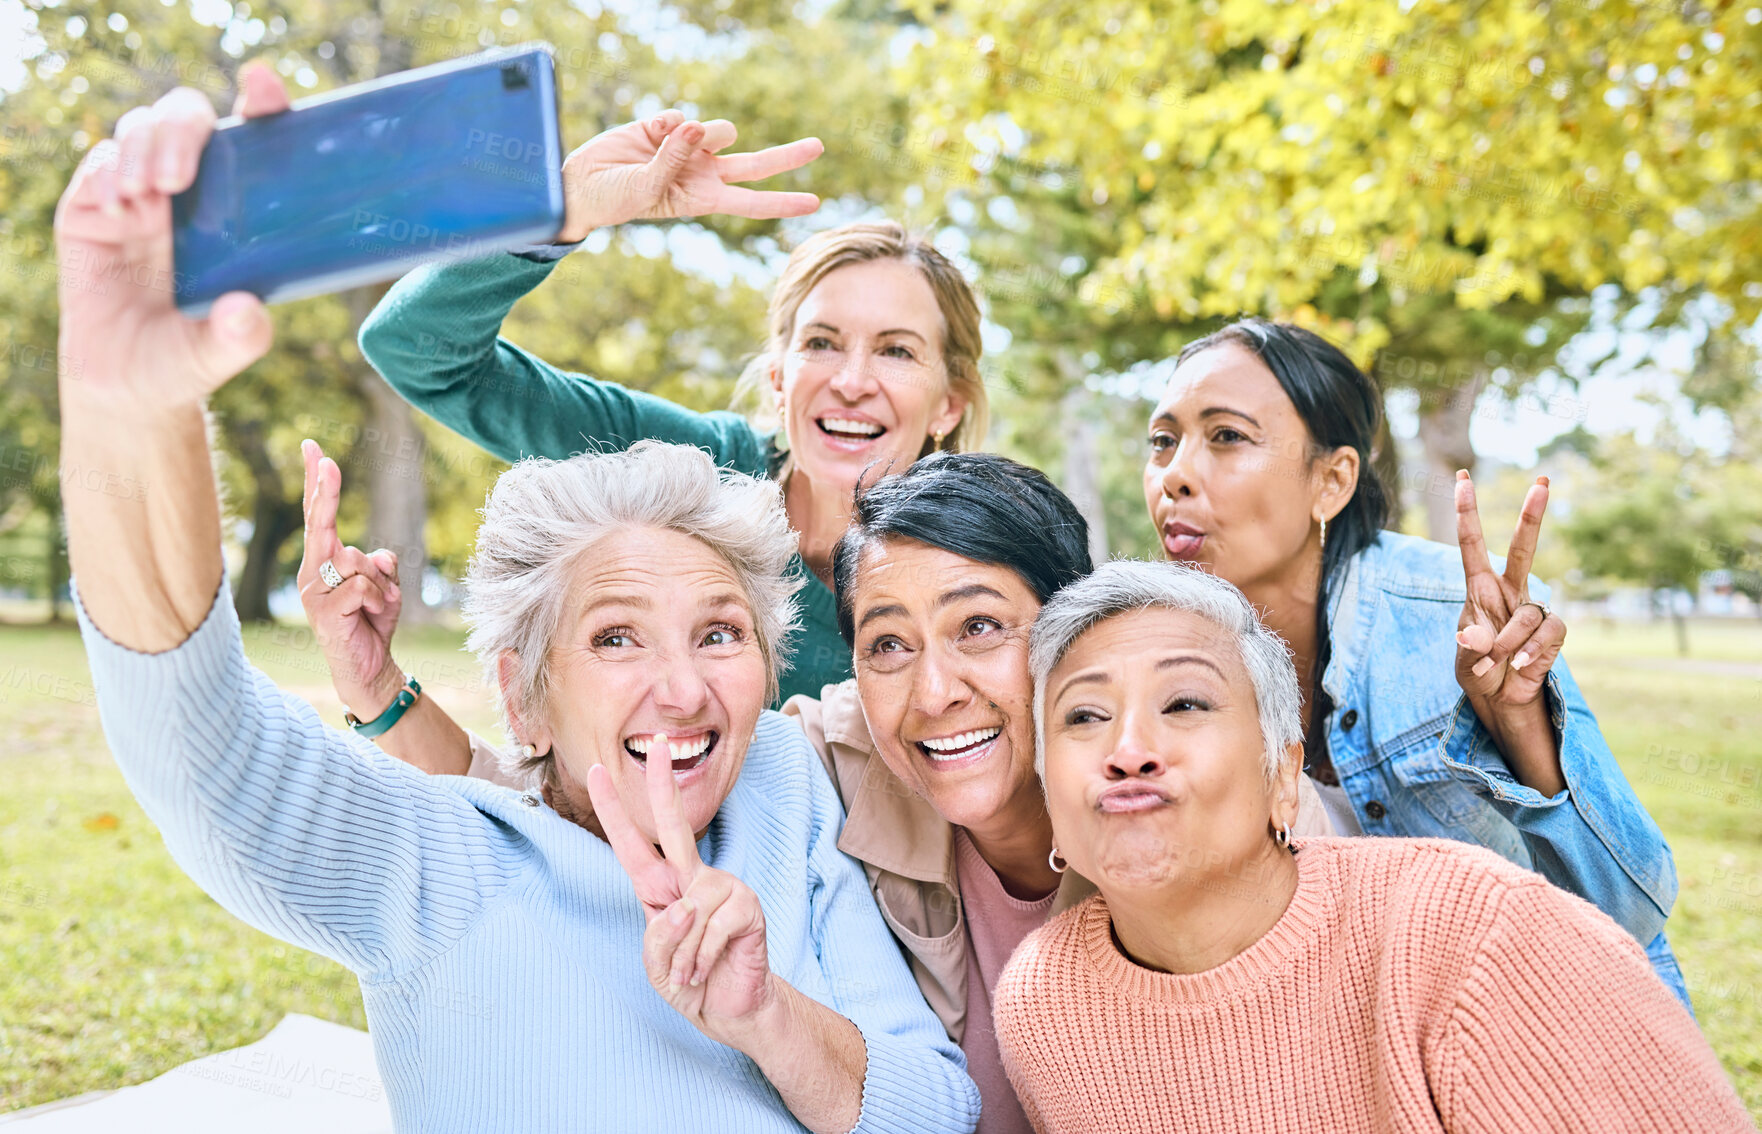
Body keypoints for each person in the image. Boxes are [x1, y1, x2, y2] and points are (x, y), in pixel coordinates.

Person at [53, 74, 978, 1134]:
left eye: (721, 634)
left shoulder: (792, 782)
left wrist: (769, 1014)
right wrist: (129, 412)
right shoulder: (455, 855)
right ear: (522, 695)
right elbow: (206, 752)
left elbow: (939, 1104)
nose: (683, 686)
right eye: (618, 634)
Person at [302, 449, 1335, 1134]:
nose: (934, 692)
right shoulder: (826, 758)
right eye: (888, 643)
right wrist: (382, 692)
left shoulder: (1199, 796)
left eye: (981, 627)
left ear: (1070, 636)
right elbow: (576, 795)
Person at [992, 561, 1750, 1133]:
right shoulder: (1043, 1004)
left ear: (1282, 776)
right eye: (1084, 715)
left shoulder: (1485, 937)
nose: (1128, 749)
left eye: (1185, 702)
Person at [337, 107, 988, 725]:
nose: (851, 381)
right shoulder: (685, 469)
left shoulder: (986, 567)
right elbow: (417, 348)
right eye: (821, 343)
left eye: (896, 350)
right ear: (778, 379)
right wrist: (563, 213)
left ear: (950, 402)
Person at [1141, 317, 1689, 1003]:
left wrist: (1520, 725)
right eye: (1163, 441)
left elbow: (1628, 912)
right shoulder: (1163, 658)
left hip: (1563, 1027)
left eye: (1226, 437)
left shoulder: (1454, 617)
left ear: (1332, 481)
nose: (1175, 475)